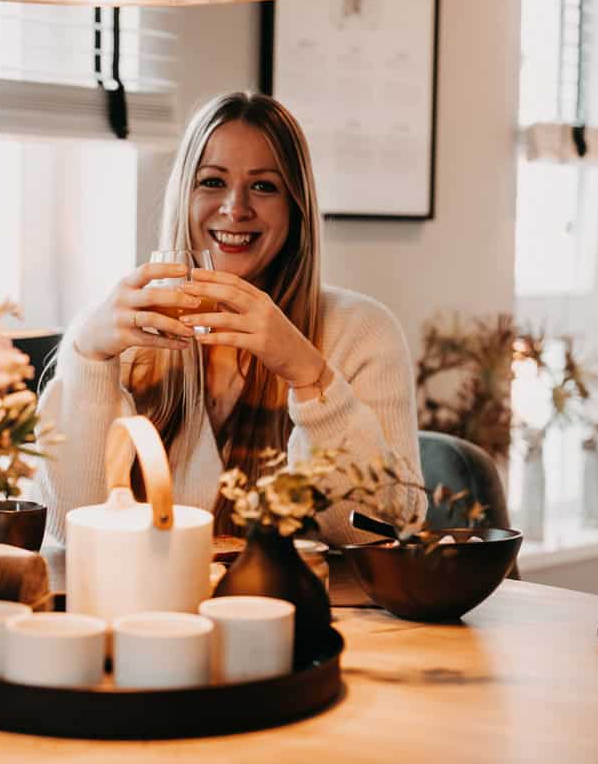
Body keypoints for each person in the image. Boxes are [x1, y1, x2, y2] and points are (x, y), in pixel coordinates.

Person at [33, 91, 423, 547]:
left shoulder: (361, 331)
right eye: (213, 182)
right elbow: (66, 528)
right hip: (152, 609)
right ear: (185, 194)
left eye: (264, 186)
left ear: (295, 208)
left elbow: (384, 530)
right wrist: (90, 361)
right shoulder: (123, 330)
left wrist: (306, 372)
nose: (236, 208)